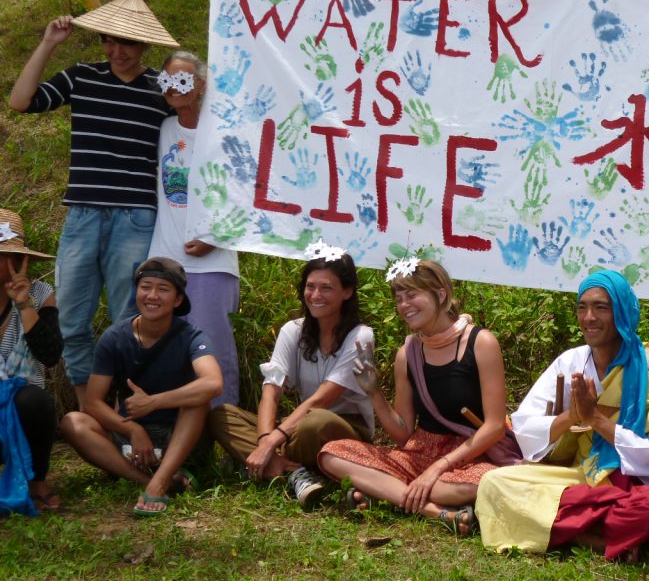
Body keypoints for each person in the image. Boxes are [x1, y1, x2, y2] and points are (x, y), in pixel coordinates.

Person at [8, 0, 178, 410]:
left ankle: (125, 411)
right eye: (109, 40)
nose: (117, 51)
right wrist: (48, 42)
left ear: (145, 45)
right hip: (83, 215)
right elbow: (20, 101)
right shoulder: (82, 76)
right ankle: (91, 410)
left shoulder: (161, 89)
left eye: (128, 43)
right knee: (71, 319)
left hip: (136, 217)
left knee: (130, 320)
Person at [476, 270, 649, 562]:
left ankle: (557, 524)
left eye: (601, 307)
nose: (589, 317)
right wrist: (572, 416)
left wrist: (595, 419)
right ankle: (593, 538)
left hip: (634, 487)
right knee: (494, 483)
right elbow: (525, 427)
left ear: (623, 312)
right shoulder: (572, 361)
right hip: (582, 476)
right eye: (582, 307)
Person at [318, 258, 513, 535]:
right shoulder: (407, 354)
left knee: (482, 482)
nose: (404, 305)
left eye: (411, 295)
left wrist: (438, 468)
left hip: (470, 455)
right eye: (399, 299)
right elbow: (403, 433)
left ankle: (386, 492)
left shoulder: (481, 342)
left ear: (441, 294)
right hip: (419, 453)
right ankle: (433, 511)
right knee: (331, 454)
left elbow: (494, 427)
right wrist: (373, 392)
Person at [209, 249, 374, 510]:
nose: (315, 295)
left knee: (316, 421)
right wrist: (265, 439)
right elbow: (271, 391)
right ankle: (293, 471)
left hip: (342, 430)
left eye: (326, 288)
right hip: (299, 428)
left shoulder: (360, 336)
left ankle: (261, 464)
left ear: (347, 291)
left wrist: (271, 443)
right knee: (221, 414)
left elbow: (321, 400)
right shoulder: (293, 330)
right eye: (310, 286)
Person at [59, 257, 222, 516]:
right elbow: (92, 403)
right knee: (73, 422)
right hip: (131, 439)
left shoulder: (192, 336)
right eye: (146, 287)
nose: (152, 296)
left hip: (178, 438)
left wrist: (154, 402)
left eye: (163, 289)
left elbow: (213, 383)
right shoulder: (114, 338)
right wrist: (133, 430)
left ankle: (160, 481)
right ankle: (149, 479)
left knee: (198, 399)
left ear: (178, 300)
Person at [148, 51, 240, 407]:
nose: (174, 87)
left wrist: (214, 237)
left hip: (211, 264)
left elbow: (248, 195)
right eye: (167, 80)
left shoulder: (227, 132)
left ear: (201, 83)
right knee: (164, 350)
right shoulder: (163, 129)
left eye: (183, 79)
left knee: (213, 350)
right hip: (163, 260)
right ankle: (168, 428)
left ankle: (223, 427)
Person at [0, 208, 63, 514]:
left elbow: (50, 355)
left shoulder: (40, 293)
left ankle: (37, 480)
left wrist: (24, 305)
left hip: (24, 408)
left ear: (17, 260)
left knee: (34, 400)